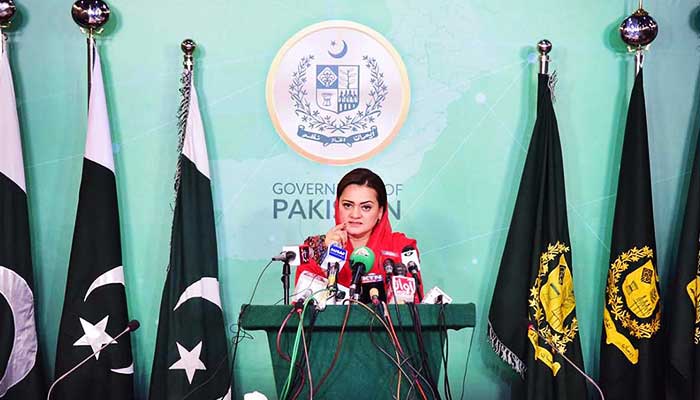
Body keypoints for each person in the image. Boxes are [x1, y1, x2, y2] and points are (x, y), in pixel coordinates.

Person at [294, 168, 423, 299]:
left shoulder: (401, 247)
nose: (355, 215)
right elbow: (303, 308)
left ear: (380, 211)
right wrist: (324, 254)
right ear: (337, 207)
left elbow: (412, 307)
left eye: (366, 207)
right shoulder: (315, 248)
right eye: (347, 205)